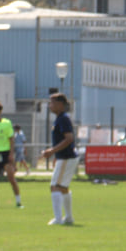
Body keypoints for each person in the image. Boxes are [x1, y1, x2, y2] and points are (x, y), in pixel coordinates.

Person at [41, 93, 77, 225]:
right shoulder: (60, 118)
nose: (50, 106)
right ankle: (68, 217)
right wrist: (56, 155)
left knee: (55, 186)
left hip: (66, 157)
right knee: (63, 187)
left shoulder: (63, 119)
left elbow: (69, 138)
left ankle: (57, 219)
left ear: (60, 104)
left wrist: (52, 151)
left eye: (52, 103)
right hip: (65, 157)